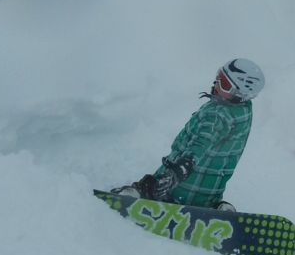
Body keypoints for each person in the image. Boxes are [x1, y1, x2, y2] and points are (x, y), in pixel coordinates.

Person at [112, 58, 265, 211]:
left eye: (224, 84)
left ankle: (139, 194)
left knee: (152, 186)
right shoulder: (243, 110)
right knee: (208, 185)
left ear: (239, 94)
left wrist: (178, 171)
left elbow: (200, 144)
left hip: (185, 185)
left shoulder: (218, 115)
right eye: (219, 76)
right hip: (210, 188)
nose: (216, 84)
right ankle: (216, 206)